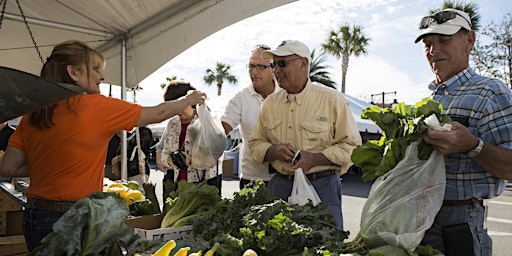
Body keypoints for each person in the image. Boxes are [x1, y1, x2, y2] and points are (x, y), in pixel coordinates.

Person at [0, 40, 206, 251]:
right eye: (96, 69)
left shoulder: (34, 114)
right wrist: (187, 100)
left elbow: (8, 167)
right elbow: (158, 113)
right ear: (73, 73)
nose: (102, 76)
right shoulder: (96, 107)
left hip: (35, 215)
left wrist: (53, 166)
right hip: (73, 219)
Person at [415, 8, 512, 256]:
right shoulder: (428, 99)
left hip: (458, 222)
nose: (433, 51)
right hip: (419, 218)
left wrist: (472, 146)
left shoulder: (490, 92)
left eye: (444, 41)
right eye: (428, 44)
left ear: (470, 40)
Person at [248, 40, 362, 230]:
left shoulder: (332, 99)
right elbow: (255, 143)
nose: (276, 70)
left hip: (323, 187)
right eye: (274, 64)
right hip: (280, 187)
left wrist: (316, 159)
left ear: (303, 64)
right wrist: (273, 151)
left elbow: (352, 147)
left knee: (327, 246)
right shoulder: (269, 104)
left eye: (282, 63)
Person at [221, 44, 279, 189]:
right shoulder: (240, 99)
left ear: (273, 69)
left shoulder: (286, 94)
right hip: (251, 178)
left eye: (260, 66)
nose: (254, 71)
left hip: (283, 178)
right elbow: (223, 129)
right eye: (251, 66)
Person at [159, 80, 223, 193]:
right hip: (177, 185)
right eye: (174, 107)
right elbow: (164, 154)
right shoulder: (172, 124)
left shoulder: (205, 120)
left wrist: (193, 159)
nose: (178, 110)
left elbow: (217, 153)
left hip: (205, 185)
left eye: (181, 105)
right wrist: (172, 160)